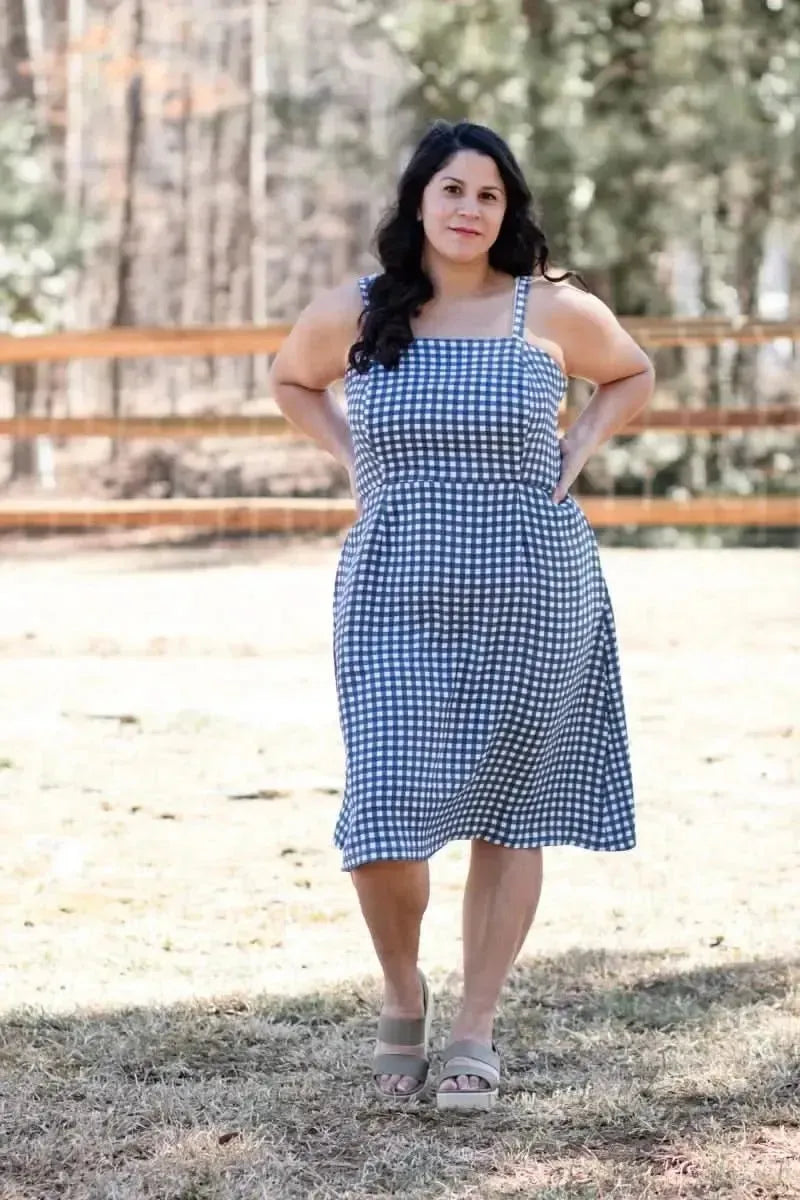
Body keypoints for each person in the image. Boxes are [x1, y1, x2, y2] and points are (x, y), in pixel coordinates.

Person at [268, 119, 655, 1110]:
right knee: (384, 817)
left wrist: (574, 452)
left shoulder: (549, 309)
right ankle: (404, 986)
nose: (468, 211)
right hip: (394, 587)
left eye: (487, 195)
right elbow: (290, 381)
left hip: (532, 585)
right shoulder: (354, 310)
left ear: (505, 209)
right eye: (451, 191)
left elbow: (631, 373)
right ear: (417, 202)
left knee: (507, 806)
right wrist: (354, 453)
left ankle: (474, 1030)